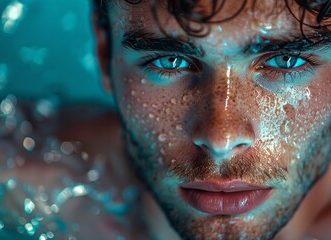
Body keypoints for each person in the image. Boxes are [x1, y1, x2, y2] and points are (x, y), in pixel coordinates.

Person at [91, 0, 331, 239]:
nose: (221, 141)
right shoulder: (65, 192)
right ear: (104, 56)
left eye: (286, 60)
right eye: (170, 61)